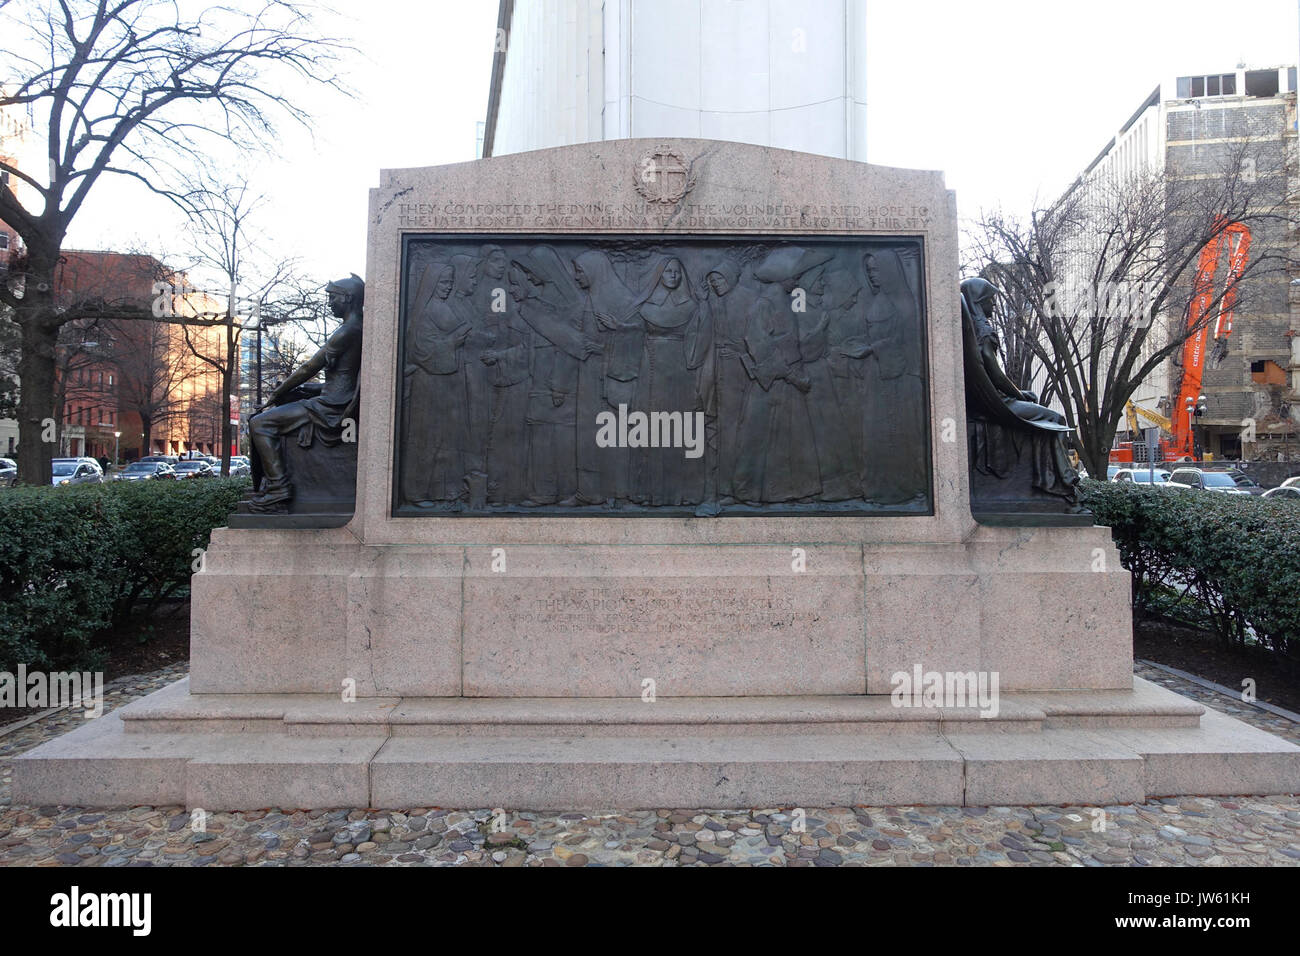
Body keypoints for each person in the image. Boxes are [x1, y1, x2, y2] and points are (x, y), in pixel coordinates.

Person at [247, 274, 363, 512]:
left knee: (260, 423)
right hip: (332, 397)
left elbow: (309, 367)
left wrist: (279, 391)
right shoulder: (358, 328)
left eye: (333, 298)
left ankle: (278, 488)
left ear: (348, 298)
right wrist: (305, 390)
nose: (329, 303)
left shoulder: (347, 331)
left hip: (332, 406)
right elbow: (344, 377)